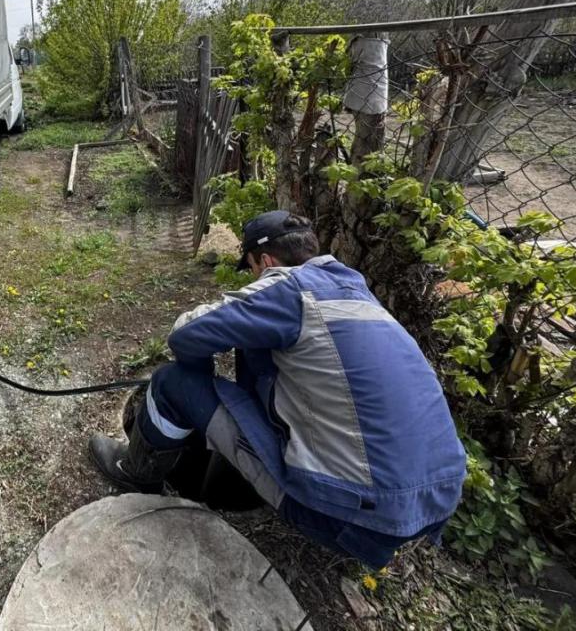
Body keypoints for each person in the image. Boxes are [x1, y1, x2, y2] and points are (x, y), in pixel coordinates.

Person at [89, 210, 467, 568]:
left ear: (266, 262)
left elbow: (185, 334)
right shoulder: (358, 291)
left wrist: (196, 375)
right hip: (430, 505)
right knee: (258, 347)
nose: (253, 278)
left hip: (341, 516)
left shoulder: (289, 288)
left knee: (172, 382)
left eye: (252, 269)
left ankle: (135, 473)